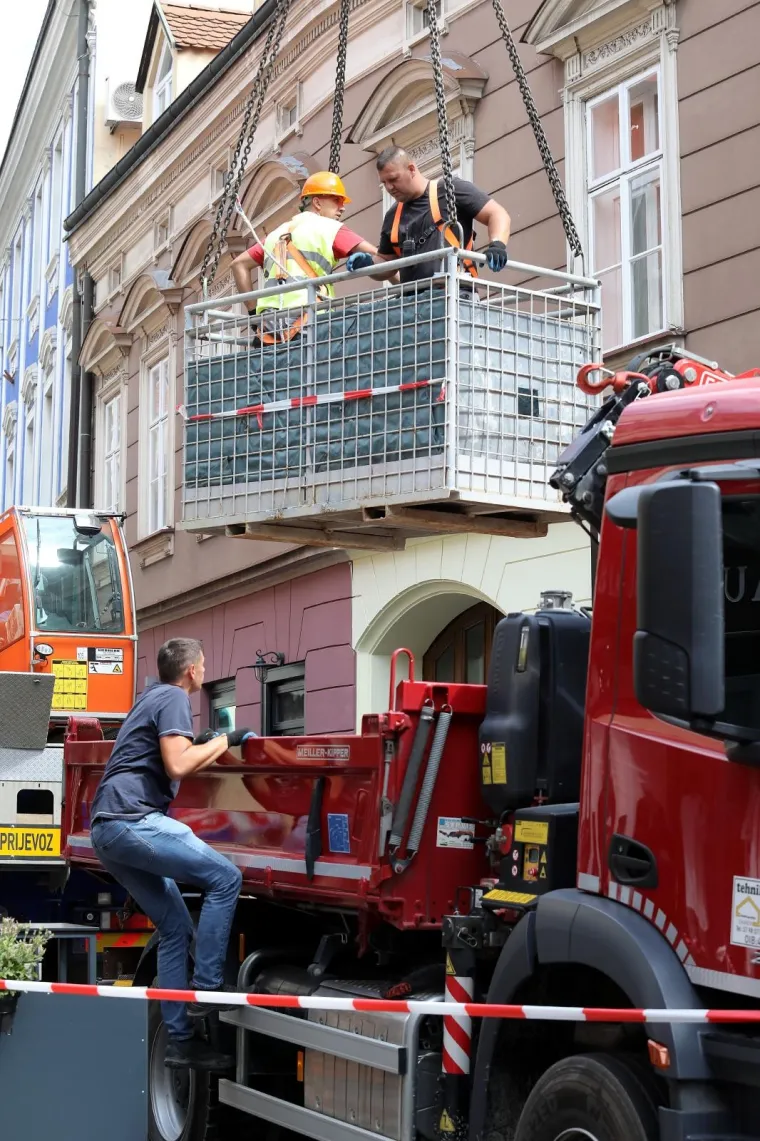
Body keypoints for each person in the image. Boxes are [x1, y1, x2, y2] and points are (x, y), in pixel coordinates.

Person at [90, 637, 254, 1073]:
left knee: (175, 923)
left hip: (107, 829)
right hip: (132, 821)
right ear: (192, 671)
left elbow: (168, 755)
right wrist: (226, 740)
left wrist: (211, 740)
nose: (203, 671)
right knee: (225, 879)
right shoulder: (174, 698)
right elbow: (179, 765)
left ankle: (180, 1042)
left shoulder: (151, 699)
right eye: (202, 665)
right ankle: (206, 989)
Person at [231, 172, 379, 342]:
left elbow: (238, 264)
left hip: (268, 330)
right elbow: (378, 257)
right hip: (309, 323)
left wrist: (252, 313)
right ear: (317, 202)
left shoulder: (277, 233)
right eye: (336, 200)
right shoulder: (329, 228)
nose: (342, 207)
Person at [346, 146, 511, 285]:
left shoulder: (450, 190)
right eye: (384, 183)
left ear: (411, 169)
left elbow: (497, 214)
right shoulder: (393, 216)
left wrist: (497, 244)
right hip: (413, 306)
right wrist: (369, 264)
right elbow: (387, 264)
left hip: (454, 297)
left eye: (393, 179)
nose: (389, 187)